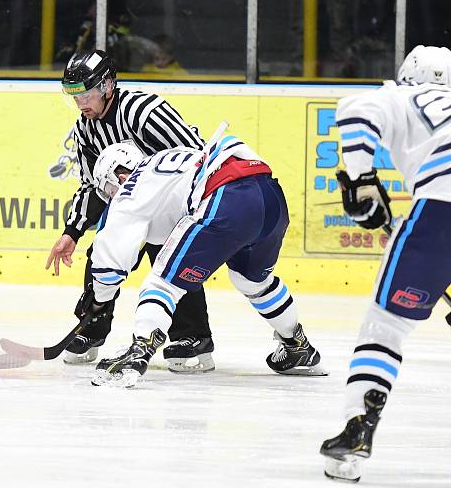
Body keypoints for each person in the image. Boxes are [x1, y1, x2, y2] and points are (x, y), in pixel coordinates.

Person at [81, 135, 327, 388]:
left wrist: (99, 300)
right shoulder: (165, 161)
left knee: (164, 282)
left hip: (226, 197)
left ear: (118, 176)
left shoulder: (129, 190)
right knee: (254, 282)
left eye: (107, 190)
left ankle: (139, 351)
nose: (111, 197)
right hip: (269, 194)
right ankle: (297, 346)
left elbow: (109, 263)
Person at [319, 45, 451, 482]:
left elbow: (355, 110)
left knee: (386, 327)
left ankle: (358, 429)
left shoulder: (401, 96)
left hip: (441, 208)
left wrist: (361, 180)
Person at [47, 49, 215, 372]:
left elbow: (196, 157)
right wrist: (72, 232)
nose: (81, 104)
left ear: (107, 85)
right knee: (103, 252)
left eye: (86, 94)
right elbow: (91, 187)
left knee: (171, 257)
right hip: (133, 208)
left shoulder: (143, 112)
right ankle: (91, 328)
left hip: (175, 203)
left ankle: (193, 335)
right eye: (74, 96)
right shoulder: (86, 130)